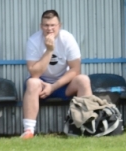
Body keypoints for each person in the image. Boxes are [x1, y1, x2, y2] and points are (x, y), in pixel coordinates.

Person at [21, 10, 91, 139]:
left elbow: (76, 70)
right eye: (46, 25)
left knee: (83, 80)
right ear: (41, 26)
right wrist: (49, 50)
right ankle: (29, 131)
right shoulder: (33, 40)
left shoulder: (68, 39)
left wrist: (53, 87)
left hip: (62, 84)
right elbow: (34, 73)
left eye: (53, 25)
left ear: (60, 25)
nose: (49, 29)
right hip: (41, 85)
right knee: (32, 82)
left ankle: (86, 127)